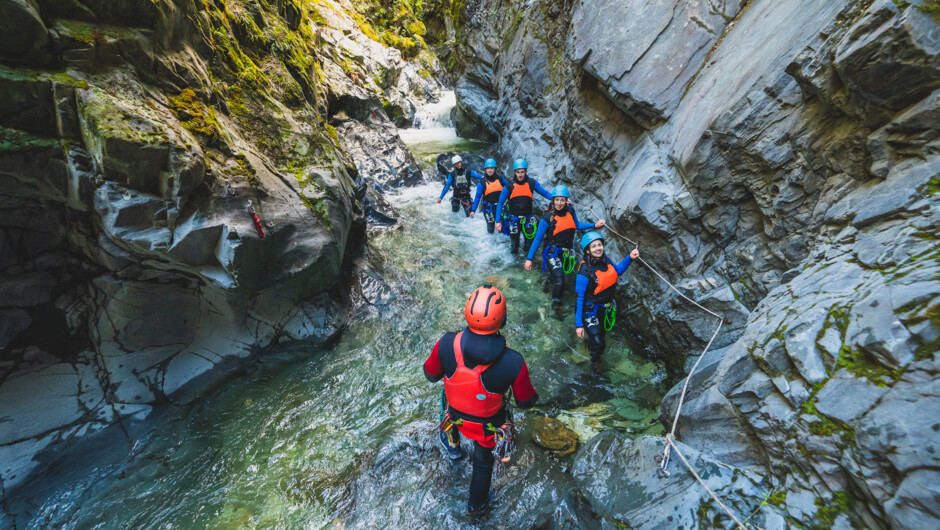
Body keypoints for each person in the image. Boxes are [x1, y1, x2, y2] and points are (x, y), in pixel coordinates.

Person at [423, 285, 539, 514]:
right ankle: (476, 508)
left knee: (446, 395)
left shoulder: (446, 343)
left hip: (454, 417)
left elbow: (431, 374)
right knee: (483, 463)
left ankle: (454, 448)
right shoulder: (514, 361)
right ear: (503, 321)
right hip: (487, 428)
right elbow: (525, 401)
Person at [524, 186, 605, 312]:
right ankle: (556, 305)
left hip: (566, 252)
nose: (559, 203)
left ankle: (547, 282)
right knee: (560, 281)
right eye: (557, 200)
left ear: (567, 200)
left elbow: (576, 225)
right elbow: (538, 239)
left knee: (558, 276)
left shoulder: (571, 211)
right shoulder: (547, 218)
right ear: (553, 200)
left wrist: (594, 225)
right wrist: (529, 259)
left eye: (562, 200)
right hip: (552, 252)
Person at [574, 232, 640, 374]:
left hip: (605, 308)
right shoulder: (584, 272)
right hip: (589, 311)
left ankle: (592, 345)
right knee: (600, 343)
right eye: (594, 246)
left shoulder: (606, 260)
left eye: (600, 245)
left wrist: (630, 257)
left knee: (601, 337)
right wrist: (579, 325)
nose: (598, 248)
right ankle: (595, 361)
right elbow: (579, 299)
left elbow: (618, 271)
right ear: (587, 250)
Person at [494, 159, 552, 255]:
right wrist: (497, 222)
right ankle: (515, 261)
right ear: (515, 172)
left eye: (522, 172)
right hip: (514, 220)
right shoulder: (509, 186)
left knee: (529, 245)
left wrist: (560, 197)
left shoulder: (531, 183)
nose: (520, 175)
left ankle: (527, 259)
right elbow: (500, 203)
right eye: (518, 172)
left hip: (528, 219)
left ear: (526, 172)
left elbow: (545, 193)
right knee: (514, 246)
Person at [469, 159, 507, 234]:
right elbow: (477, 197)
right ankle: (490, 240)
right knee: (490, 229)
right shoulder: (482, 182)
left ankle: (501, 240)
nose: (490, 170)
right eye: (488, 168)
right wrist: (473, 210)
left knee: (502, 227)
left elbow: (510, 188)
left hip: (500, 207)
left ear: (495, 169)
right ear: (485, 170)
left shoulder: (501, 179)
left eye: (492, 168)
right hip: (488, 208)